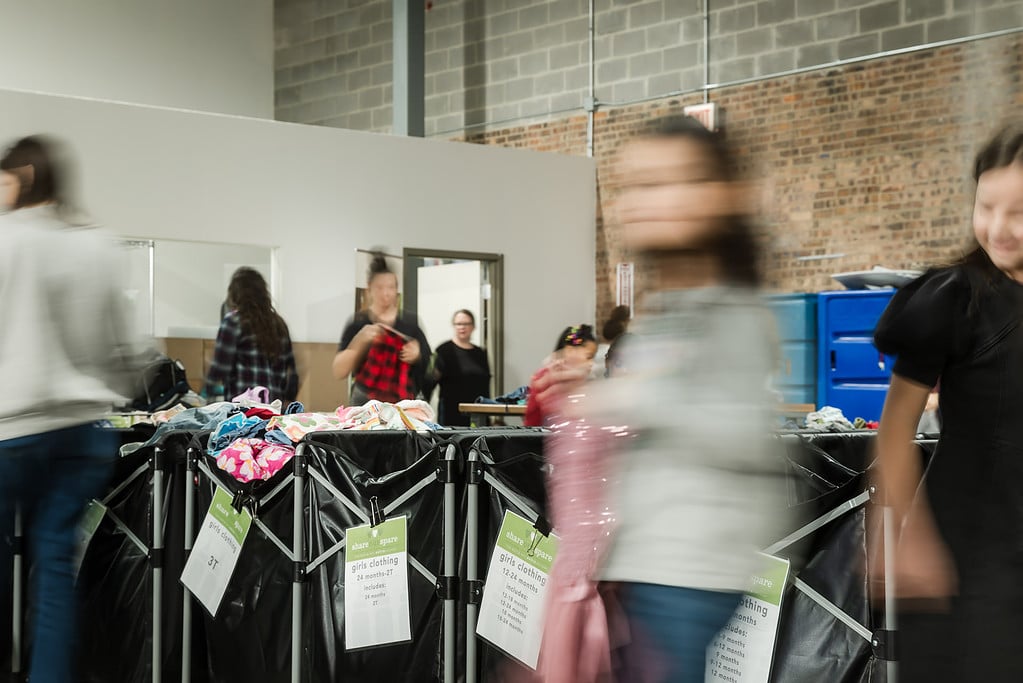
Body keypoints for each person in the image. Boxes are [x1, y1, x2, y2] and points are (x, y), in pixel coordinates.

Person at [532, 115, 786, 683]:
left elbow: (739, 429)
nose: (640, 203)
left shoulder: (733, 313)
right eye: (633, 187)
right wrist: (599, 391)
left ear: (718, 195)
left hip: (690, 572)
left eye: (664, 183)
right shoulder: (674, 307)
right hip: (647, 565)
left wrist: (619, 400)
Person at [873, 121, 1023, 681]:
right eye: (986, 206)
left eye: (1019, 211)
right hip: (964, 544)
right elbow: (894, 429)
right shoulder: (954, 298)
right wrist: (906, 535)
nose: (999, 228)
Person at [0, 135, 138, 683]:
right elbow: (123, 349)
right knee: (54, 568)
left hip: (11, 428)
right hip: (83, 432)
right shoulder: (96, 244)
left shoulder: (6, 239)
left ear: (25, 177)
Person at [332, 253, 431, 405]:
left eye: (391, 287)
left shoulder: (410, 323)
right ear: (369, 289)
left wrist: (417, 355)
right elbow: (339, 371)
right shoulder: (358, 323)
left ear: (397, 290)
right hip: (364, 403)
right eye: (379, 287)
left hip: (402, 404)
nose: (386, 293)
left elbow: (429, 364)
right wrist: (360, 341)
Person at [204, 266, 298, 404]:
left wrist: (207, 391)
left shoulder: (233, 322)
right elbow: (291, 373)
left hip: (244, 410)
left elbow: (220, 369)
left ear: (235, 295)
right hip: (274, 410)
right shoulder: (279, 324)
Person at [523, 324, 597, 427]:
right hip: (539, 439)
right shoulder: (548, 375)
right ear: (570, 351)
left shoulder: (579, 380)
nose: (591, 363)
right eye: (588, 356)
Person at [432, 309, 491, 426]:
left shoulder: (480, 353)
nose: (462, 327)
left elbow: (486, 386)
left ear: (473, 327)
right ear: (453, 326)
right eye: (458, 324)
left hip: (479, 412)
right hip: (452, 412)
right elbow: (430, 381)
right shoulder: (443, 350)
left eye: (466, 324)